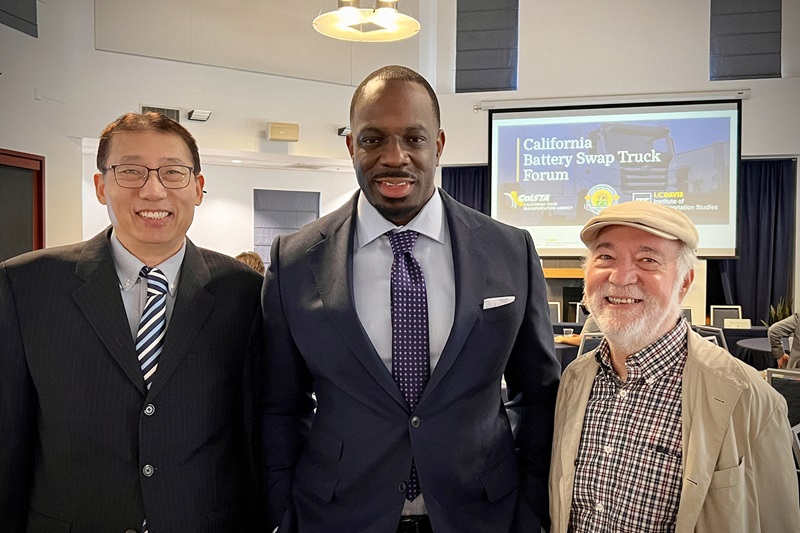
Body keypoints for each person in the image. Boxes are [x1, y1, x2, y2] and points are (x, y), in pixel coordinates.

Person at [261, 65, 560, 533]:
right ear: (351, 146)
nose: (394, 157)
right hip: (337, 515)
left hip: (482, 514)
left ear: (438, 145)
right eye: (372, 139)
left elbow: (537, 397)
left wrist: (529, 510)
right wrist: (284, 510)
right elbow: (280, 405)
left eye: (414, 139)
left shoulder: (509, 249)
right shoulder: (296, 259)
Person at [0, 112, 264, 532]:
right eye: (131, 171)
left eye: (173, 173)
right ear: (102, 185)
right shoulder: (25, 285)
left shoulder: (245, 293)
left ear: (197, 188)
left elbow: (258, 430)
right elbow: (9, 435)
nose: (153, 190)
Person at [549, 201, 800, 532]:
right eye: (605, 257)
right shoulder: (573, 380)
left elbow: (777, 521)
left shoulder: (750, 400)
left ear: (684, 282)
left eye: (648, 260)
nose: (620, 276)